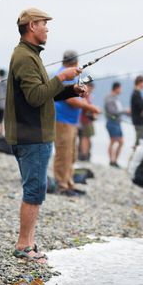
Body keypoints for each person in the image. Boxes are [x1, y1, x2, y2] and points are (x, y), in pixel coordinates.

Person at [5, 8, 84, 263]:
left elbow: (43, 92)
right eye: (43, 24)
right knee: (34, 190)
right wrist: (61, 76)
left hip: (34, 133)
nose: (47, 28)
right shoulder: (24, 57)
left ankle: (28, 243)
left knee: (36, 189)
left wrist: (70, 90)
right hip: (32, 134)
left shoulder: (31, 55)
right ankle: (23, 245)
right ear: (31, 26)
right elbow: (36, 96)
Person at [53, 50, 101, 196]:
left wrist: (86, 105)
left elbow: (78, 95)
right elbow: (70, 99)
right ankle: (61, 185)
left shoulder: (70, 73)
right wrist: (90, 107)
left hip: (71, 121)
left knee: (72, 154)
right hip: (62, 120)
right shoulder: (65, 74)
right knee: (64, 153)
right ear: (75, 62)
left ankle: (69, 183)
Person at [105, 81, 130, 167]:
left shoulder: (116, 98)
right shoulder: (109, 98)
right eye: (120, 88)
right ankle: (111, 161)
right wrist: (124, 111)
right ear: (117, 88)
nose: (121, 90)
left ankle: (114, 161)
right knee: (113, 141)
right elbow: (112, 111)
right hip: (112, 122)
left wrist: (126, 113)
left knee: (120, 142)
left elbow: (118, 111)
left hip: (117, 123)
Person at [78, 82, 97, 161]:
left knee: (87, 139)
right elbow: (85, 107)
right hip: (83, 121)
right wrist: (93, 111)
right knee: (84, 138)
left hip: (88, 121)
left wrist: (93, 114)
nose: (91, 89)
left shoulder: (88, 96)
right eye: (90, 87)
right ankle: (83, 156)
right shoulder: (83, 95)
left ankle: (85, 155)